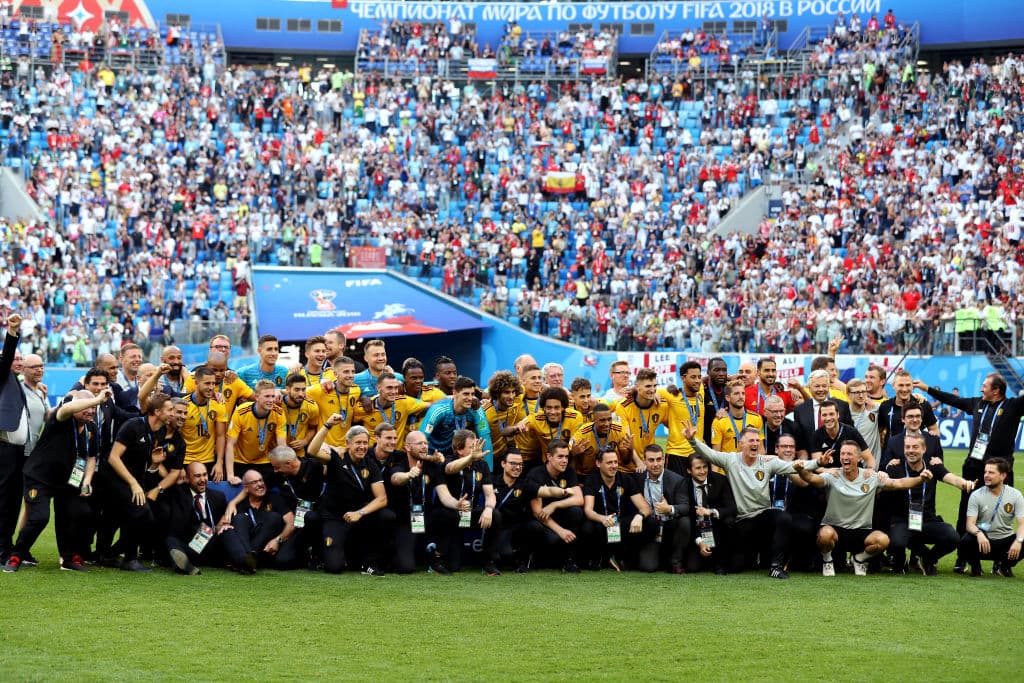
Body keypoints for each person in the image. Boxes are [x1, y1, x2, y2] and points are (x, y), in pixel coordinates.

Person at [916, 373, 1024, 572]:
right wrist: (926, 388)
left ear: (996, 390)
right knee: (966, 511)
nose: (981, 389)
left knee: (1003, 511)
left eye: (985, 386)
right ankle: (962, 557)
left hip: (1001, 470)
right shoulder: (976, 403)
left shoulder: (1012, 406)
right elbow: (953, 399)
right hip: (974, 468)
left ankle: (1002, 560)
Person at [3, 390, 105, 573]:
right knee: (40, 517)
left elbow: (91, 457)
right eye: (87, 407)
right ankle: (16, 554)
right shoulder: (62, 418)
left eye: (94, 408)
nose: (90, 411)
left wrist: (87, 481)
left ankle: (68, 558)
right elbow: (67, 408)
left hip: (68, 481)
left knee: (79, 512)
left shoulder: (91, 428)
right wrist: (96, 399)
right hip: (40, 477)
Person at [794, 440, 930, 577]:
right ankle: (827, 559)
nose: (845, 457)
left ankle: (858, 559)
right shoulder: (833, 475)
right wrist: (801, 470)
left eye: (849, 454)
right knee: (824, 535)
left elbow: (898, 483)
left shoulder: (870, 477)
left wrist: (920, 479)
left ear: (859, 458)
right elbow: (811, 478)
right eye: (842, 454)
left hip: (861, 532)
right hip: (835, 530)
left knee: (883, 540)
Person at [685, 423, 799, 579]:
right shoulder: (730, 460)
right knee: (736, 566)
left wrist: (818, 463)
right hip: (742, 522)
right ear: (741, 444)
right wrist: (692, 440)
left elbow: (796, 466)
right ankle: (723, 561)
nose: (755, 444)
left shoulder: (767, 462)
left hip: (763, 516)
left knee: (783, 517)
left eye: (757, 441)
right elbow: (709, 454)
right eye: (751, 440)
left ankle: (776, 567)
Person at [105, 392, 183, 572]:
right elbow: (113, 457)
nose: (173, 413)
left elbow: (148, 462)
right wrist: (133, 484)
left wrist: (155, 464)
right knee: (141, 513)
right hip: (114, 477)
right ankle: (128, 558)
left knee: (142, 515)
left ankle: (112, 554)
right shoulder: (133, 426)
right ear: (157, 412)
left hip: (135, 478)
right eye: (170, 409)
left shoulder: (159, 431)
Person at [306, 421, 395, 576]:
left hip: (360, 517)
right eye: (358, 443)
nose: (362, 447)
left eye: (365, 443)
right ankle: (321, 554)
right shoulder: (336, 458)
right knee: (334, 567)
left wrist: (360, 513)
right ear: (347, 443)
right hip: (335, 517)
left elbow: (382, 499)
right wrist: (327, 426)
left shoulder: (371, 464)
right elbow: (312, 450)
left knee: (386, 516)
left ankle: (369, 562)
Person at [885, 432, 973, 575]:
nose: (911, 450)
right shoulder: (895, 466)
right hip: (902, 521)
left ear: (924, 449)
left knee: (953, 537)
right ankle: (901, 560)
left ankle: (929, 558)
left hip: (926, 521)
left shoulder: (933, 466)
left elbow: (951, 478)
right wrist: (884, 473)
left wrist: (964, 483)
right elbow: (891, 482)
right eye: (907, 447)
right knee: (897, 542)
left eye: (915, 447)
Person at [428, 430, 502, 575]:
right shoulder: (448, 461)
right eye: (471, 446)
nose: (476, 449)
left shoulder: (482, 465)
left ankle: (488, 562)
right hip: (447, 514)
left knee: (496, 514)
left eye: (477, 445)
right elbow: (450, 469)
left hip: (468, 514)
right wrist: (457, 504)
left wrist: (488, 509)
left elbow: (490, 494)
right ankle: (436, 560)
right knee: (454, 566)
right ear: (459, 449)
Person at [159, 462, 242, 576]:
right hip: (191, 545)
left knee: (228, 530)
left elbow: (227, 518)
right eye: (197, 476)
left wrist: (225, 521)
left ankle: (243, 561)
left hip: (212, 544)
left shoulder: (218, 496)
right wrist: (156, 465)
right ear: (187, 478)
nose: (203, 479)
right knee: (171, 540)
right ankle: (185, 565)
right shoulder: (178, 494)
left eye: (205, 475)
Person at [581, 448, 650, 570]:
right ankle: (598, 557)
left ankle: (621, 557)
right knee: (588, 528)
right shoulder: (592, 480)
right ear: (598, 464)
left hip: (620, 524)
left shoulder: (626, 479)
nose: (614, 466)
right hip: (601, 523)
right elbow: (588, 510)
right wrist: (603, 518)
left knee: (649, 523)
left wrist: (639, 516)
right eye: (609, 463)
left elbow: (645, 507)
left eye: (615, 462)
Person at [524, 439, 584, 573]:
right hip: (542, 520)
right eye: (560, 457)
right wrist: (560, 531)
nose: (564, 460)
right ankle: (528, 559)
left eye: (567, 457)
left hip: (559, 516)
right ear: (549, 457)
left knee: (576, 511)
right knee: (541, 531)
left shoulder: (568, 472)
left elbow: (579, 499)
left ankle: (569, 561)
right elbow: (537, 512)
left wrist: (555, 504)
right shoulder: (535, 474)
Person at [960, 458, 1024, 577]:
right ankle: (976, 567)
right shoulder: (976, 495)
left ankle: (1003, 566)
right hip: (983, 542)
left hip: (1005, 543)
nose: (986, 475)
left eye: (991, 472)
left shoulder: (1016, 495)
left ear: (1003, 475)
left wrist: (1018, 541)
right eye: (985, 472)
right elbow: (970, 524)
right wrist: (979, 534)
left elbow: (1022, 524)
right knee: (966, 540)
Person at [635, 444, 691, 573]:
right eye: (651, 460)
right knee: (648, 567)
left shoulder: (677, 479)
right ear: (644, 461)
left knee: (685, 521)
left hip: (670, 527)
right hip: (651, 528)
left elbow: (685, 506)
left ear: (665, 460)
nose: (656, 464)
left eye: (659, 459)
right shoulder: (638, 478)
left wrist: (669, 508)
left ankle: (676, 562)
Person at [270, 445, 327, 570]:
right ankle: (305, 555)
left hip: (322, 522)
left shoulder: (315, 466)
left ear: (289, 463)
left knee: (311, 517)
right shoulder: (280, 476)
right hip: (299, 524)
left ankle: (318, 555)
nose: (275, 471)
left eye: (276, 467)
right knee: (281, 562)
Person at [0, 313, 28, 561]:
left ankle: (6, 547)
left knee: (12, 501)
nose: (17, 361)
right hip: (4, 448)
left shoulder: (17, 383)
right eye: (15, 358)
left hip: (18, 451)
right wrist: (12, 332)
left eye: (21, 358)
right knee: (3, 500)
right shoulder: (3, 376)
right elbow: (6, 357)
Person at [231, 469, 298, 570]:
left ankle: (247, 561)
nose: (260, 484)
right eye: (254, 482)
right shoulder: (240, 504)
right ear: (246, 488)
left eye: (261, 480)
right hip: (247, 544)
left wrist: (278, 540)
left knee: (273, 517)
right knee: (239, 519)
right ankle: (248, 559)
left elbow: (291, 523)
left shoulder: (275, 498)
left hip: (268, 550)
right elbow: (224, 525)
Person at [225, 380, 288, 487]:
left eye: (273, 396)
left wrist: (284, 469)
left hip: (264, 461)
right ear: (256, 396)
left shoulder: (279, 413)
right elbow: (230, 444)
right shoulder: (241, 412)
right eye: (267, 396)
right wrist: (230, 475)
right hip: (240, 461)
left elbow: (282, 445)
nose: (271, 400)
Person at [685, 451, 736, 574]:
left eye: (705, 467)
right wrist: (699, 541)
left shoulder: (720, 480)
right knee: (692, 568)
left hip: (717, 529)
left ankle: (720, 559)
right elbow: (687, 518)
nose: (703, 471)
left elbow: (732, 508)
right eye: (698, 468)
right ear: (689, 470)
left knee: (729, 521)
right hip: (696, 531)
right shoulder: (684, 485)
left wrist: (711, 512)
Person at [418, 376, 492, 458]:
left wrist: (488, 470)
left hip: (455, 456)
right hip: (433, 454)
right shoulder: (439, 409)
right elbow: (421, 438)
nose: (470, 398)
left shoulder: (476, 409)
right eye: (466, 394)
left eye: (472, 394)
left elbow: (485, 438)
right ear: (455, 393)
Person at [355, 372, 430, 449]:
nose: (394, 392)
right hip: (373, 456)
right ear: (378, 388)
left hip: (397, 456)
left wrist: (414, 417)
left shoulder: (403, 402)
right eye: (389, 388)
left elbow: (431, 406)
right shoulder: (364, 407)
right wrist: (362, 397)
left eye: (396, 387)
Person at [615, 368, 670, 472]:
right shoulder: (623, 407)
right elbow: (627, 440)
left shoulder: (661, 405)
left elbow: (674, 426)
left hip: (649, 466)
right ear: (637, 387)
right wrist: (638, 462)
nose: (653, 389)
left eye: (655, 386)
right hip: (625, 467)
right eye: (648, 386)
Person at [307, 356, 361, 448]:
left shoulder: (356, 390)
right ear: (335, 374)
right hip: (324, 448)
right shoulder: (322, 390)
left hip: (345, 448)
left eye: (353, 371)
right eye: (346, 372)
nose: (351, 375)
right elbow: (297, 392)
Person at [792, 369, 853, 450]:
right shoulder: (800, 410)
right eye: (817, 386)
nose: (821, 389)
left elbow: (850, 435)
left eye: (824, 386)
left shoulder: (842, 406)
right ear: (809, 388)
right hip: (812, 459)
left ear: (828, 387)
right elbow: (799, 442)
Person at [664, 360, 706, 474]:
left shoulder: (701, 392)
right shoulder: (672, 395)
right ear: (683, 378)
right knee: (675, 491)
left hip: (698, 453)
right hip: (677, 454)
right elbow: (650, 391)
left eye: (699, 377)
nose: (697, 380)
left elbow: (708, 379)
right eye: (693, 377)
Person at [524, 387, 586, 464]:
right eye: (549, 408)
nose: (553, 412)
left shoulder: (575, 417)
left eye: (556, 407)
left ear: (563, 407)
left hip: (568, 460)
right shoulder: (536, 418)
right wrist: (517, 427)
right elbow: (519, 425)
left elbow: (574, 444)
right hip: (546, 463)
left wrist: (572, 452)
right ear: (543, 408)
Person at [877, 369, 938, 448]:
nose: (904, 389)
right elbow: (879, 432)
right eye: (901, 385)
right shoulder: (885, 406)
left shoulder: (923, 404)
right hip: (890, 457)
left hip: (915, 456)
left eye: (908, 385)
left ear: (913, 386)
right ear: (893, 386)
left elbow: (934, 430)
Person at [183, 350, 253, 420]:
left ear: (226, 367)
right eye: (214, 370)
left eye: (222, 370)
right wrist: (210, 394)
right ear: (206, 366)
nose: (218, 374)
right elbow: (183, 400)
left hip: (225, 428)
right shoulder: (194, 378)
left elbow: (256, 398)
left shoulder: (233, 380)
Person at [569, 402, 633, 477]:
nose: (607, 424)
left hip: (610, 473)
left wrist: (630, 450)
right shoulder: (583, 433)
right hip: (586, 475)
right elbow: (568, 457)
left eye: (609, 419)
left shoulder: (618, 430)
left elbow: (626, 461)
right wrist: (573, 453)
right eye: (602, 420)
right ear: (594, 419)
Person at [808, 400, 875, 469]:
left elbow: (869, 459)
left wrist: (870, 471)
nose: (828, 418)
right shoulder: (817, 435)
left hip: (853, 474)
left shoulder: (851, 432)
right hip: (830, 475)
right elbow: (817, 466)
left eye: (831, 414)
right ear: (820, 417)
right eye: (824, 415)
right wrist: (827, 471)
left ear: (838, 415)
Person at [711, 380, 764, 453]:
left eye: (743, 393)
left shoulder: (756, 418)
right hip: (728, 464)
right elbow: (715, 455)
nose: (741, 397)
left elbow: (761, 449)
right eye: (736, 393)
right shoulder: (719, 422)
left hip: (750, 463)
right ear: (728, 398)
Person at [482, 370, 523, 462]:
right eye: (506, 392)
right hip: (488, 457)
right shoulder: (486, 413)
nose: (511, 396)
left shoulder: (517, 400)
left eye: (513, 392)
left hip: (506, 455)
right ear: (497, 393)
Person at [280, 373, 321, 458]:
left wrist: (305, 441)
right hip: (279, 453)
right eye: (297, 390)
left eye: (303, 389)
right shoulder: (278, 404)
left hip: (299, 455)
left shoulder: (311, 407)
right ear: (287, 389)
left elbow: (312, 428)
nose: (301, 394)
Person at [845, 378, 881, 462]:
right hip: (851, 466)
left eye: (863, 392)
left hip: (872, 468)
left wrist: (916, 396)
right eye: (856, 392)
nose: (861, 395)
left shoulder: (876, 408)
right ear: (848, 394)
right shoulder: (843, 414)